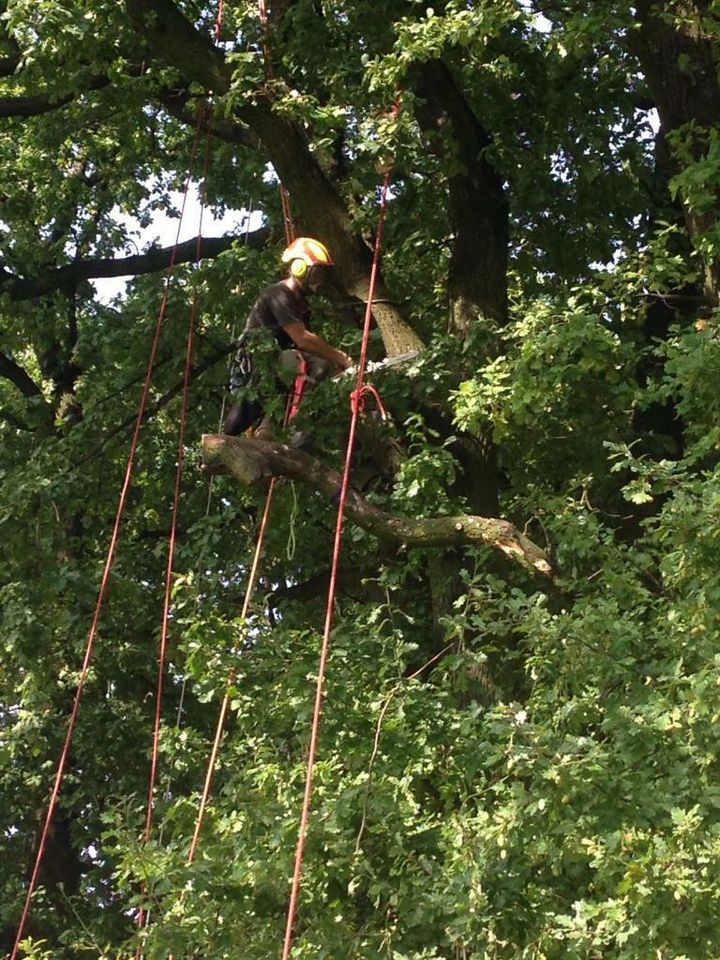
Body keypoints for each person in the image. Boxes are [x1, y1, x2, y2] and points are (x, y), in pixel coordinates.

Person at [224, 237, 353, 441]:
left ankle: (288, 428)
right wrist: (342, 358)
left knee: (318, 364)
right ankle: (278, 428)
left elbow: (312, 347)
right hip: (255, 367)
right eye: (317, 274)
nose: (319, 282)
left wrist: (337, 370)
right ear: (300, 267)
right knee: (301, 361)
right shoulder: (279, 294)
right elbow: (303, 340)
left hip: (275, 368)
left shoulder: (299, 306)